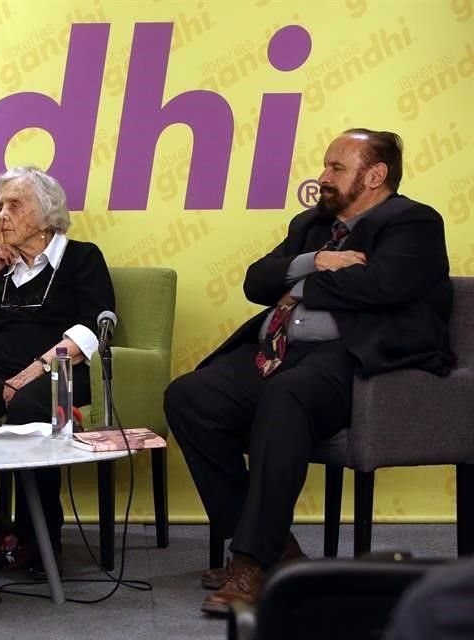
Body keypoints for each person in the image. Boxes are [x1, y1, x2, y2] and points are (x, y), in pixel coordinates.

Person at [163, 129, 455, 614]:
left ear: (376, 175)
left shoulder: (413, 221)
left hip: (353, 361)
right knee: (189, 397)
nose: (322, 177)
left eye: (337, 167)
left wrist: (299, 285)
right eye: (325, 166)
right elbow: (257, 280)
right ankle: (277, 549)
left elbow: (383, 286)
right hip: (280, 351)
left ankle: (252, 563)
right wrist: (318, 260)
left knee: (287, 396)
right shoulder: (312, 225)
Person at [0, 166, 115, 572]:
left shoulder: (82, 258)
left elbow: (90, 331)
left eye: (14, 205)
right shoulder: (4, 270)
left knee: (30, 407)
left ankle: (39, 538)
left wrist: (32, 372)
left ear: (46, 213)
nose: (2, 215)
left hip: (56, 373)